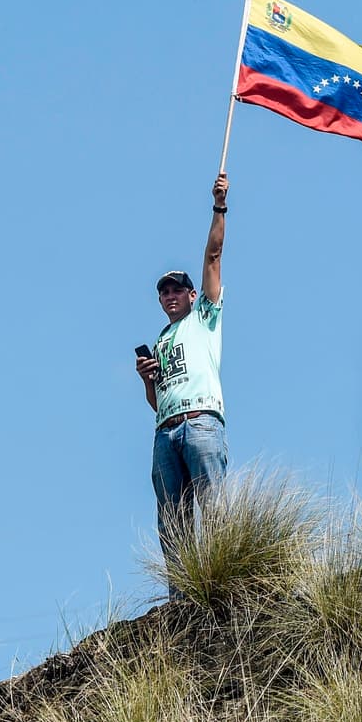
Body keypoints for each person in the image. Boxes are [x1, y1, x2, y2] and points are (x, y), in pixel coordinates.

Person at [135, 173, 229, 595]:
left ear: (193, 295)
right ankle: (183, 596)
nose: (170, 295)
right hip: (166, 428)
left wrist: (219, 206)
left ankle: (224, 584)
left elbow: (213, 256)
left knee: (212, 511)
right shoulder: (161, 339)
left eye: (177, 289)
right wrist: (146, 380)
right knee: (171, 519)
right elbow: (156, 402)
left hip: (201, 422)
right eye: (164, 291)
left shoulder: (204, 317)